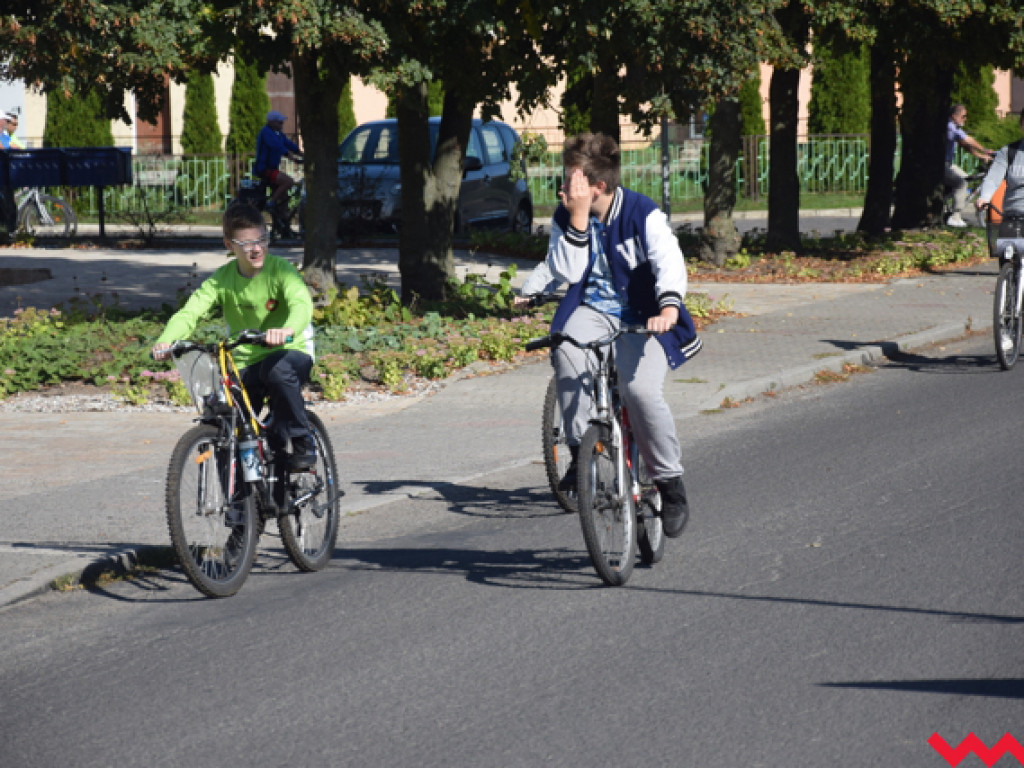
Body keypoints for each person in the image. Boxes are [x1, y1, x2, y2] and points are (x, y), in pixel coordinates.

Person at [514, 133, 702, 538]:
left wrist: (668, 308)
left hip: (643, 316)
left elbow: (669, 260)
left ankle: (670, 484)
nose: (562, 188)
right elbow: (563, 267)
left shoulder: (642, 213)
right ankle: (585, 456)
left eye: (570, 181)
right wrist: (576, 221)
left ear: (597, 186)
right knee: (565, 346)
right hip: (595, 311)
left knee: (641, 394)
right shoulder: (568, 215)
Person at [151, 203, 318, 469]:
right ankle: (239, 506)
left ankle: (302, 440)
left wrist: (286, 330)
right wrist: (167, 340)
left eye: (262, 240)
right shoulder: (222, 279)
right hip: (245, 359)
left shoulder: (281, 270)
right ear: (229, 245)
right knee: (227, 423)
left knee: (276, 372)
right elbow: (190, 312)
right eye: (246, 243)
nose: (256, 249)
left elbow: (301, 304)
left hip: (290, 349)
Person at [945, 104, 996, 228]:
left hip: (948, 164)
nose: (965, 119)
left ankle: (945, 203)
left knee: (966, 178)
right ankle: (955, 217)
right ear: (954, 116)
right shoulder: (950, 127)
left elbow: (964, 145)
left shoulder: (954, 127)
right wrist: (986, 150)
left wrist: (980, 156)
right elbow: (968, 140)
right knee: (961, 183)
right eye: (963, 116)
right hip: (941, 165)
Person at [254, 109, 302, 235]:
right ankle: (271, 203)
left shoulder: (278, 134)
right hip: (264, 169)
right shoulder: (266, 133)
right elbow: (277, 146)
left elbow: (288, 144)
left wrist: (300, 152)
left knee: (284, 199)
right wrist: (291, 157)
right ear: (271, 122)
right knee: (289, 182)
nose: (282, 125)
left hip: (272, 169)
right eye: (280, 123)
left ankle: (284, 228)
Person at [976, 108, 1024, 222]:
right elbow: (993, 178)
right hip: (1013, 217)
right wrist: (984, 197)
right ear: (1021, 124)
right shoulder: (1009, 151)